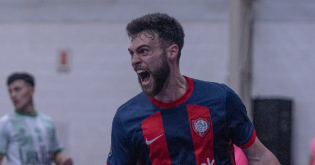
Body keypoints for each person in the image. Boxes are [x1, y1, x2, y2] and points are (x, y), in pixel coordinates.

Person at [106, 13, 280, 165]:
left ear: (172, 52)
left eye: (143, 51)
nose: (134, 60)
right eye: (132, 53)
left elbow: (260, 156)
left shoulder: (220, 98)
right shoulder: (126, 118)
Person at [0, 72, 73, 165]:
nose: (13, 95)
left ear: (31, 90)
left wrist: (63, 160)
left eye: (17, 89)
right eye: (10, 91)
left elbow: (55, 152)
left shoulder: (47, 122)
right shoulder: (6, 123)